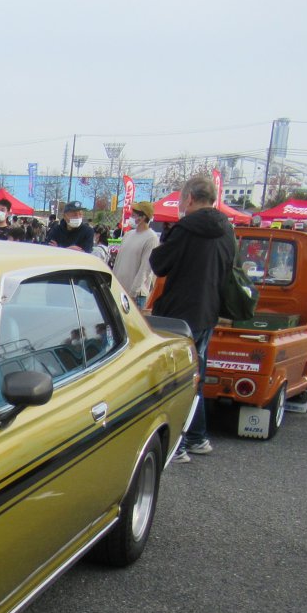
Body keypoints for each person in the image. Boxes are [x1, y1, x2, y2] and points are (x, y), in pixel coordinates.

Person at [149, 173, 236, 460]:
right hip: (209, 312)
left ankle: (179, 444)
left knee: (179, 380)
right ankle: (197, 437)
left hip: (179, 314)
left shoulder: (185, 229)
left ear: (188, 198)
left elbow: (159, 264)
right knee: (197, 376)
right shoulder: (227, 230)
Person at [113, 200, 159, 308]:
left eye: (133, 215)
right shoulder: (128, 235)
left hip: (135, 296)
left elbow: (145, 268)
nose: (131, 217)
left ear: (143, 217)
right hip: (119, 291)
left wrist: (133, 293)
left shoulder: (151, 238)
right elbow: (118, 261)